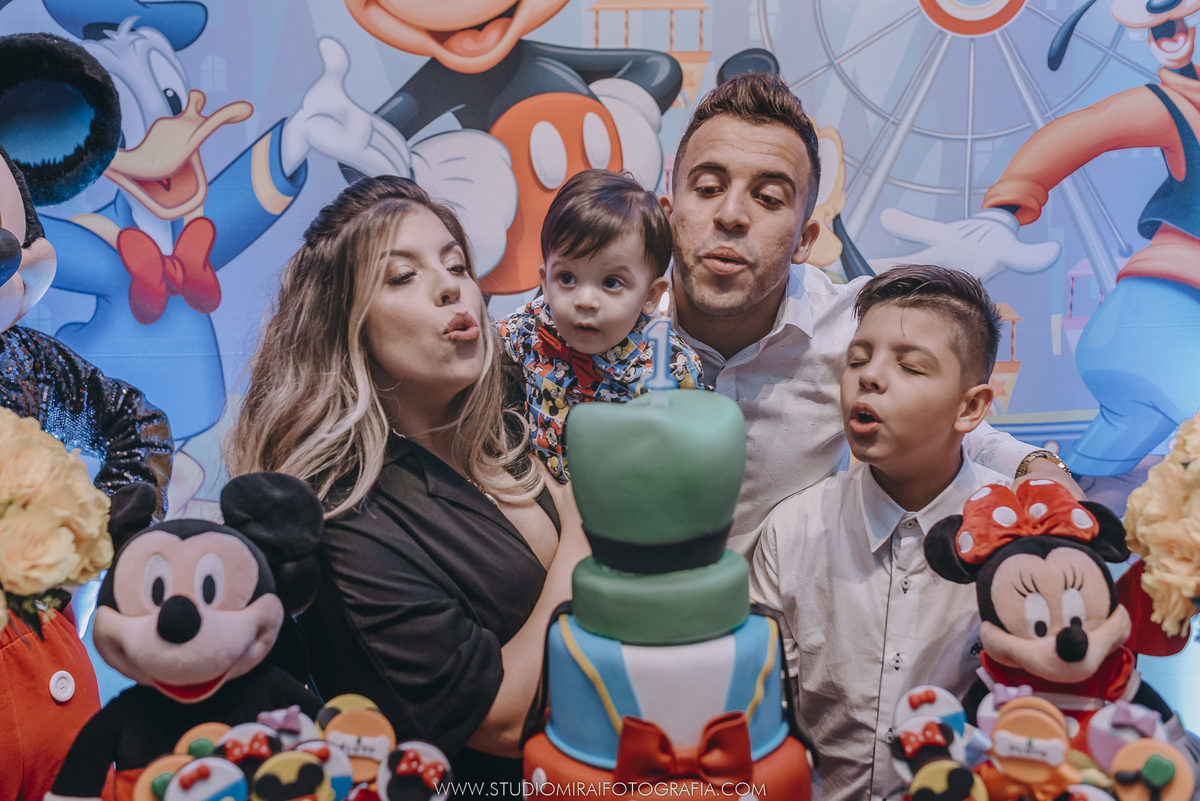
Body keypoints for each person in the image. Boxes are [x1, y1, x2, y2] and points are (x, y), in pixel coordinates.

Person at [224, 175, 589, 791]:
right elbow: (503, 721)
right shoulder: (345, 521)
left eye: (456, 264)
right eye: (402, 276)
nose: (452, 286)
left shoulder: (520, 420)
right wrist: (585, 534)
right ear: (346, 324)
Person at [661, 72, 1081, 557]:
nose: (731, 215)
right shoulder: (599, 323)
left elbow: (948, 424)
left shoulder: (856, 327)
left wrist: (1038, 469)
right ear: (667, 212)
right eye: (708, 188)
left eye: (769, 198)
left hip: (784, 600)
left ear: (804, 241)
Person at [749, 265, 1011, 801]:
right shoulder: (793, 529)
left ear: (970, 407)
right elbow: (766, 714)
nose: (869, 377)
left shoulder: (1021, 534)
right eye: (857, 360)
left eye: (909, 366)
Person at [496, 168, 702, 482]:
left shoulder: (669, 368)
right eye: (567, 278)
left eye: (611, 282)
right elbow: (487, 350)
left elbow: (695, 449)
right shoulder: (532, 327)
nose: (585, 300)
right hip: (538, 487)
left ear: (650, 296)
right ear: (545, 282)